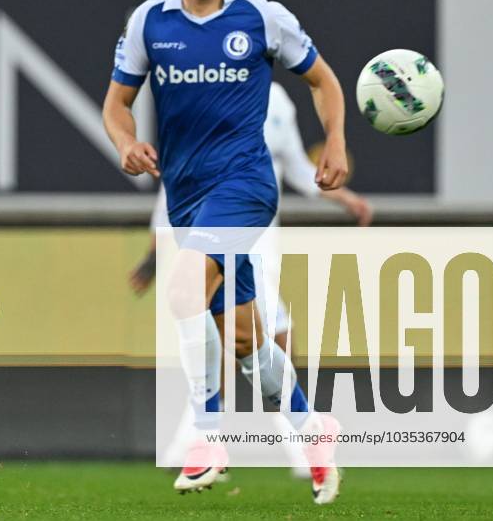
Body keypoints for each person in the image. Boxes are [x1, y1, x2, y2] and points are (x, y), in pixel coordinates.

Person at [102, 0, 348, 504]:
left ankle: (208, 440)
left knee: (185, 287)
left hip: (245, 186)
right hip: (185, 194)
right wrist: (125, 142)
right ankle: (312, 429)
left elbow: (323, 80)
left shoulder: (263, 19)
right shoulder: (149, 23)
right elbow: (115, 104)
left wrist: (335, 142)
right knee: (242, 338)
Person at [129, 82, 372, 488]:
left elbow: (295, 164)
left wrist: (344, 198)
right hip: (213, 236)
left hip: (259, 240)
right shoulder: (192, 91)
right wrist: (155, 253)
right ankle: (205, 441)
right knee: (222, 324)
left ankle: (275, 436)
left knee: (251, 340)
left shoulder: (275, 97)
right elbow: (173, 183)